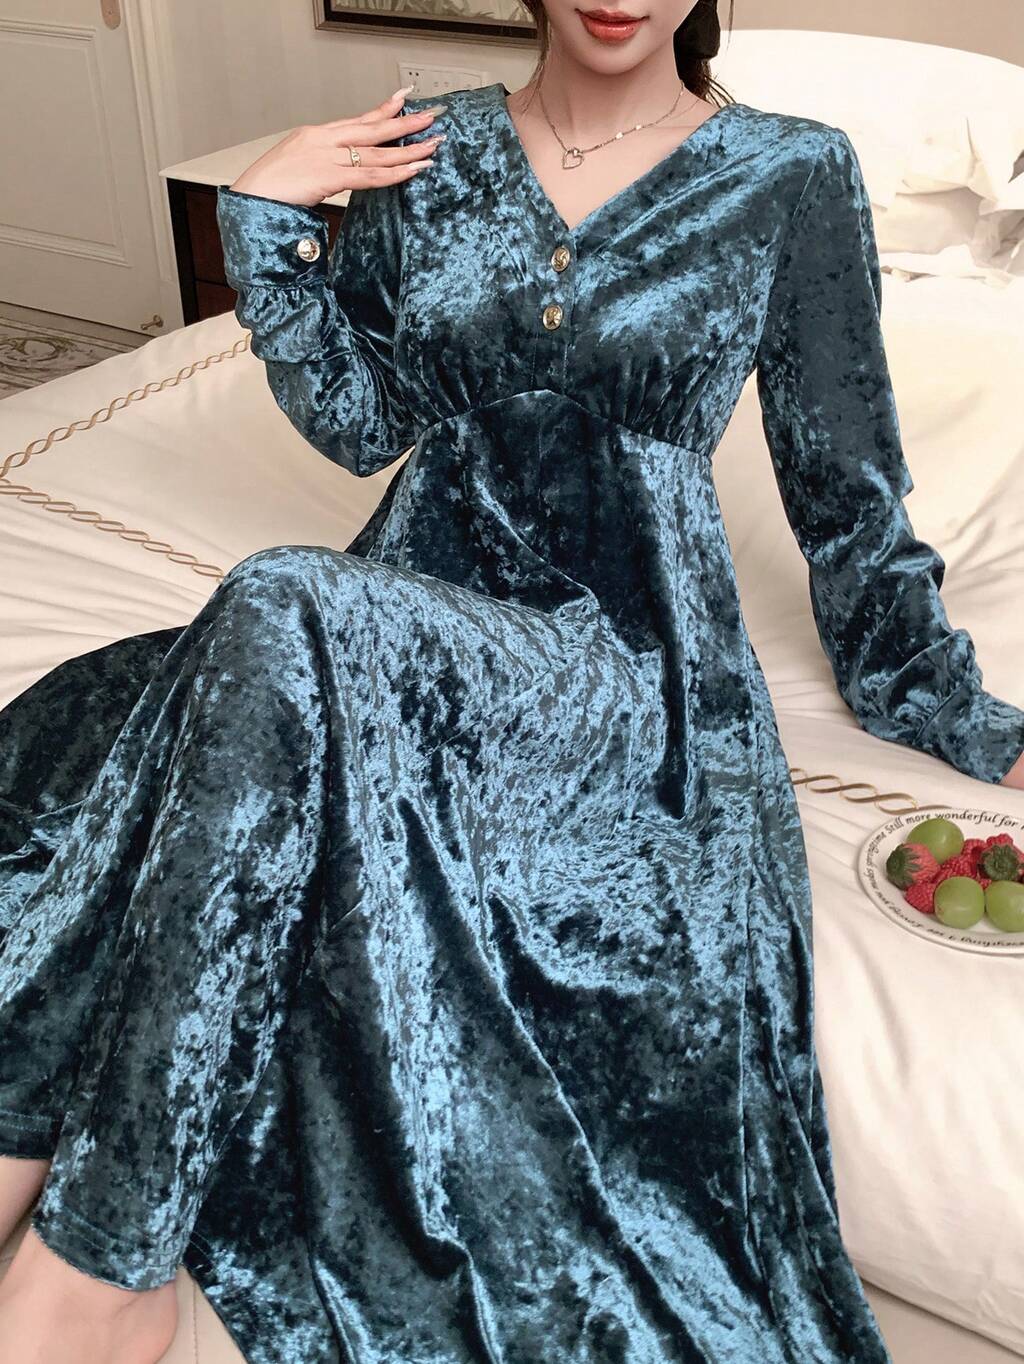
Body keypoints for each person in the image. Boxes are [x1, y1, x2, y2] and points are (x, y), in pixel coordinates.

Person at [2, 0, 1023, 1358]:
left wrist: (953, 708)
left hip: (620, 667)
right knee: (186, 690)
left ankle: (94, 1260)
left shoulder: (791, 171)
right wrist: (268, 220)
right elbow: (363, 425)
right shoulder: (430, 146)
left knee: (277, 600)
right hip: (406, 610)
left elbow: (848, 492)